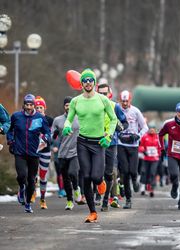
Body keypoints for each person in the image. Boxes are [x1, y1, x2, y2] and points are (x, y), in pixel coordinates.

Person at [63, 69, 117, 223]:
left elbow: (113, 120)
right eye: (85, 80)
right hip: (83, 142)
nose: (88, 83)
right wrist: (67, 126)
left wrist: (109, 136)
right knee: (86, 177)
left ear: (94, 82)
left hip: (99, 143)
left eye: (90, 80)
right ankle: (92, 212)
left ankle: (101, 182)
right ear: (81, 83)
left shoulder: (103, 100)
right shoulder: (76, 101)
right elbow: (69, 118)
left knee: (96, 176)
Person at [7, 94, 51, 213]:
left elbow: (47, 132)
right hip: (20, 152)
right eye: (27, 104)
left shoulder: (40, 118)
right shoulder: (16, 116)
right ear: (24, 105)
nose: (29, 107)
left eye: (31, 105)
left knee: (31, 180)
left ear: (34, 105)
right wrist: (10, 141)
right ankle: (21, 188)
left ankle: (27, 204)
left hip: (34, 153)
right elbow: (10, 130)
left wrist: (46, 138)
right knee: (22, 176)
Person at [96, 81, 128, 211]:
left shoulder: (115, 106)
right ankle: (98, 193)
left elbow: (125, 123)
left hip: (111, 143)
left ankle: (105, 200)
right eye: (100, 93)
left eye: (105, 93)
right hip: (96, 142)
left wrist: (119, 129)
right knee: (97, 172)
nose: (103, 95)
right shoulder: (93, 106)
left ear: (110, 94)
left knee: (109, 173)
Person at [117, 90, 148, 209]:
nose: (124, 103)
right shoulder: (117, 110)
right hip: (121, 144)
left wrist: (138, 135)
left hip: (133, 145)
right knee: (124, 172)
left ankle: (135, 180)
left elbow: (145, 127)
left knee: (133, 171)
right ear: (120, 100)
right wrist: (117, 134)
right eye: (123, 101)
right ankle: (128, 200)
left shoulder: (135, 111)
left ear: (130, 100)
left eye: (126, 101)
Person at [52, 96, 82, 210]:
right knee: (65, 178)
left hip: (75, 152)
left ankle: (76, 189)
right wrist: (54, 134)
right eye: (66, 105)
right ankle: (70, 201)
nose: (68, 107)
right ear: (64, 107)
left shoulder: (79, 118)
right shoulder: (58, 120)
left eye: (70, 105)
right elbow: (51, 136)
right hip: (62, 153)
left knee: (73, 173)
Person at [33, 96, 53, 209]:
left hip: (45, 151)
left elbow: (55, 133)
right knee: (33, 174)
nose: (39, 109)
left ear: (44, 108)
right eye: (37, 107)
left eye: (41, 107)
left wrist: (50, 139)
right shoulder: (31, 120)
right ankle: (32, 192)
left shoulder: (50, 120)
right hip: (34, 151)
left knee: (43, 176)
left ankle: (43, 199)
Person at [139, 123, 160, 197]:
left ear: (155, 129)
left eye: (153, 128)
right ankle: (142, 187)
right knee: (144, 172)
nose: (151, 130)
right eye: (150, 128)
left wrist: (159, 154)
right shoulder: (145, 137)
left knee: (152, 173)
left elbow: (160, 147)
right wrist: (143, 150)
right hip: (146, 158)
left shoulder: (158, 137)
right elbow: (140, 146)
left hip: (155, 159)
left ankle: (151, 188)